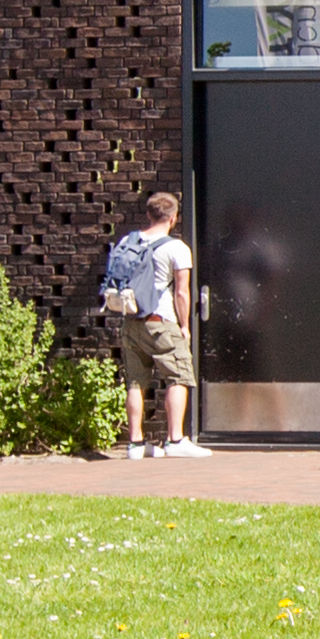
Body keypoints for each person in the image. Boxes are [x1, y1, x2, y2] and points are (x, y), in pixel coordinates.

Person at [98, 189, 206, 460]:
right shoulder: (176, 248)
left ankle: (135, 444)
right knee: (178, 377)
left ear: (148, 215)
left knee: (135, 382)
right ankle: (175, 440)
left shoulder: (129, 240)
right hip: (161, 321)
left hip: (132, 320)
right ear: (174, 218)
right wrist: (184, 326)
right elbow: (182, 292)